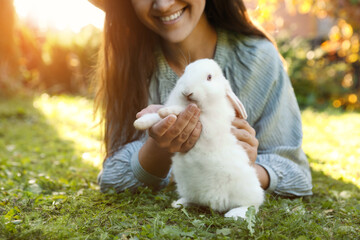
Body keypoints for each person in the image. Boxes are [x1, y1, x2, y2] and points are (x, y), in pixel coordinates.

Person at [89, 0, 313, 197]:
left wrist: (240, 168)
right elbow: (111, 178)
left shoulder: (259, 59)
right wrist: (159, 148)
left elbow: (296, 174)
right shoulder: (126, 69)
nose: (164, 4)